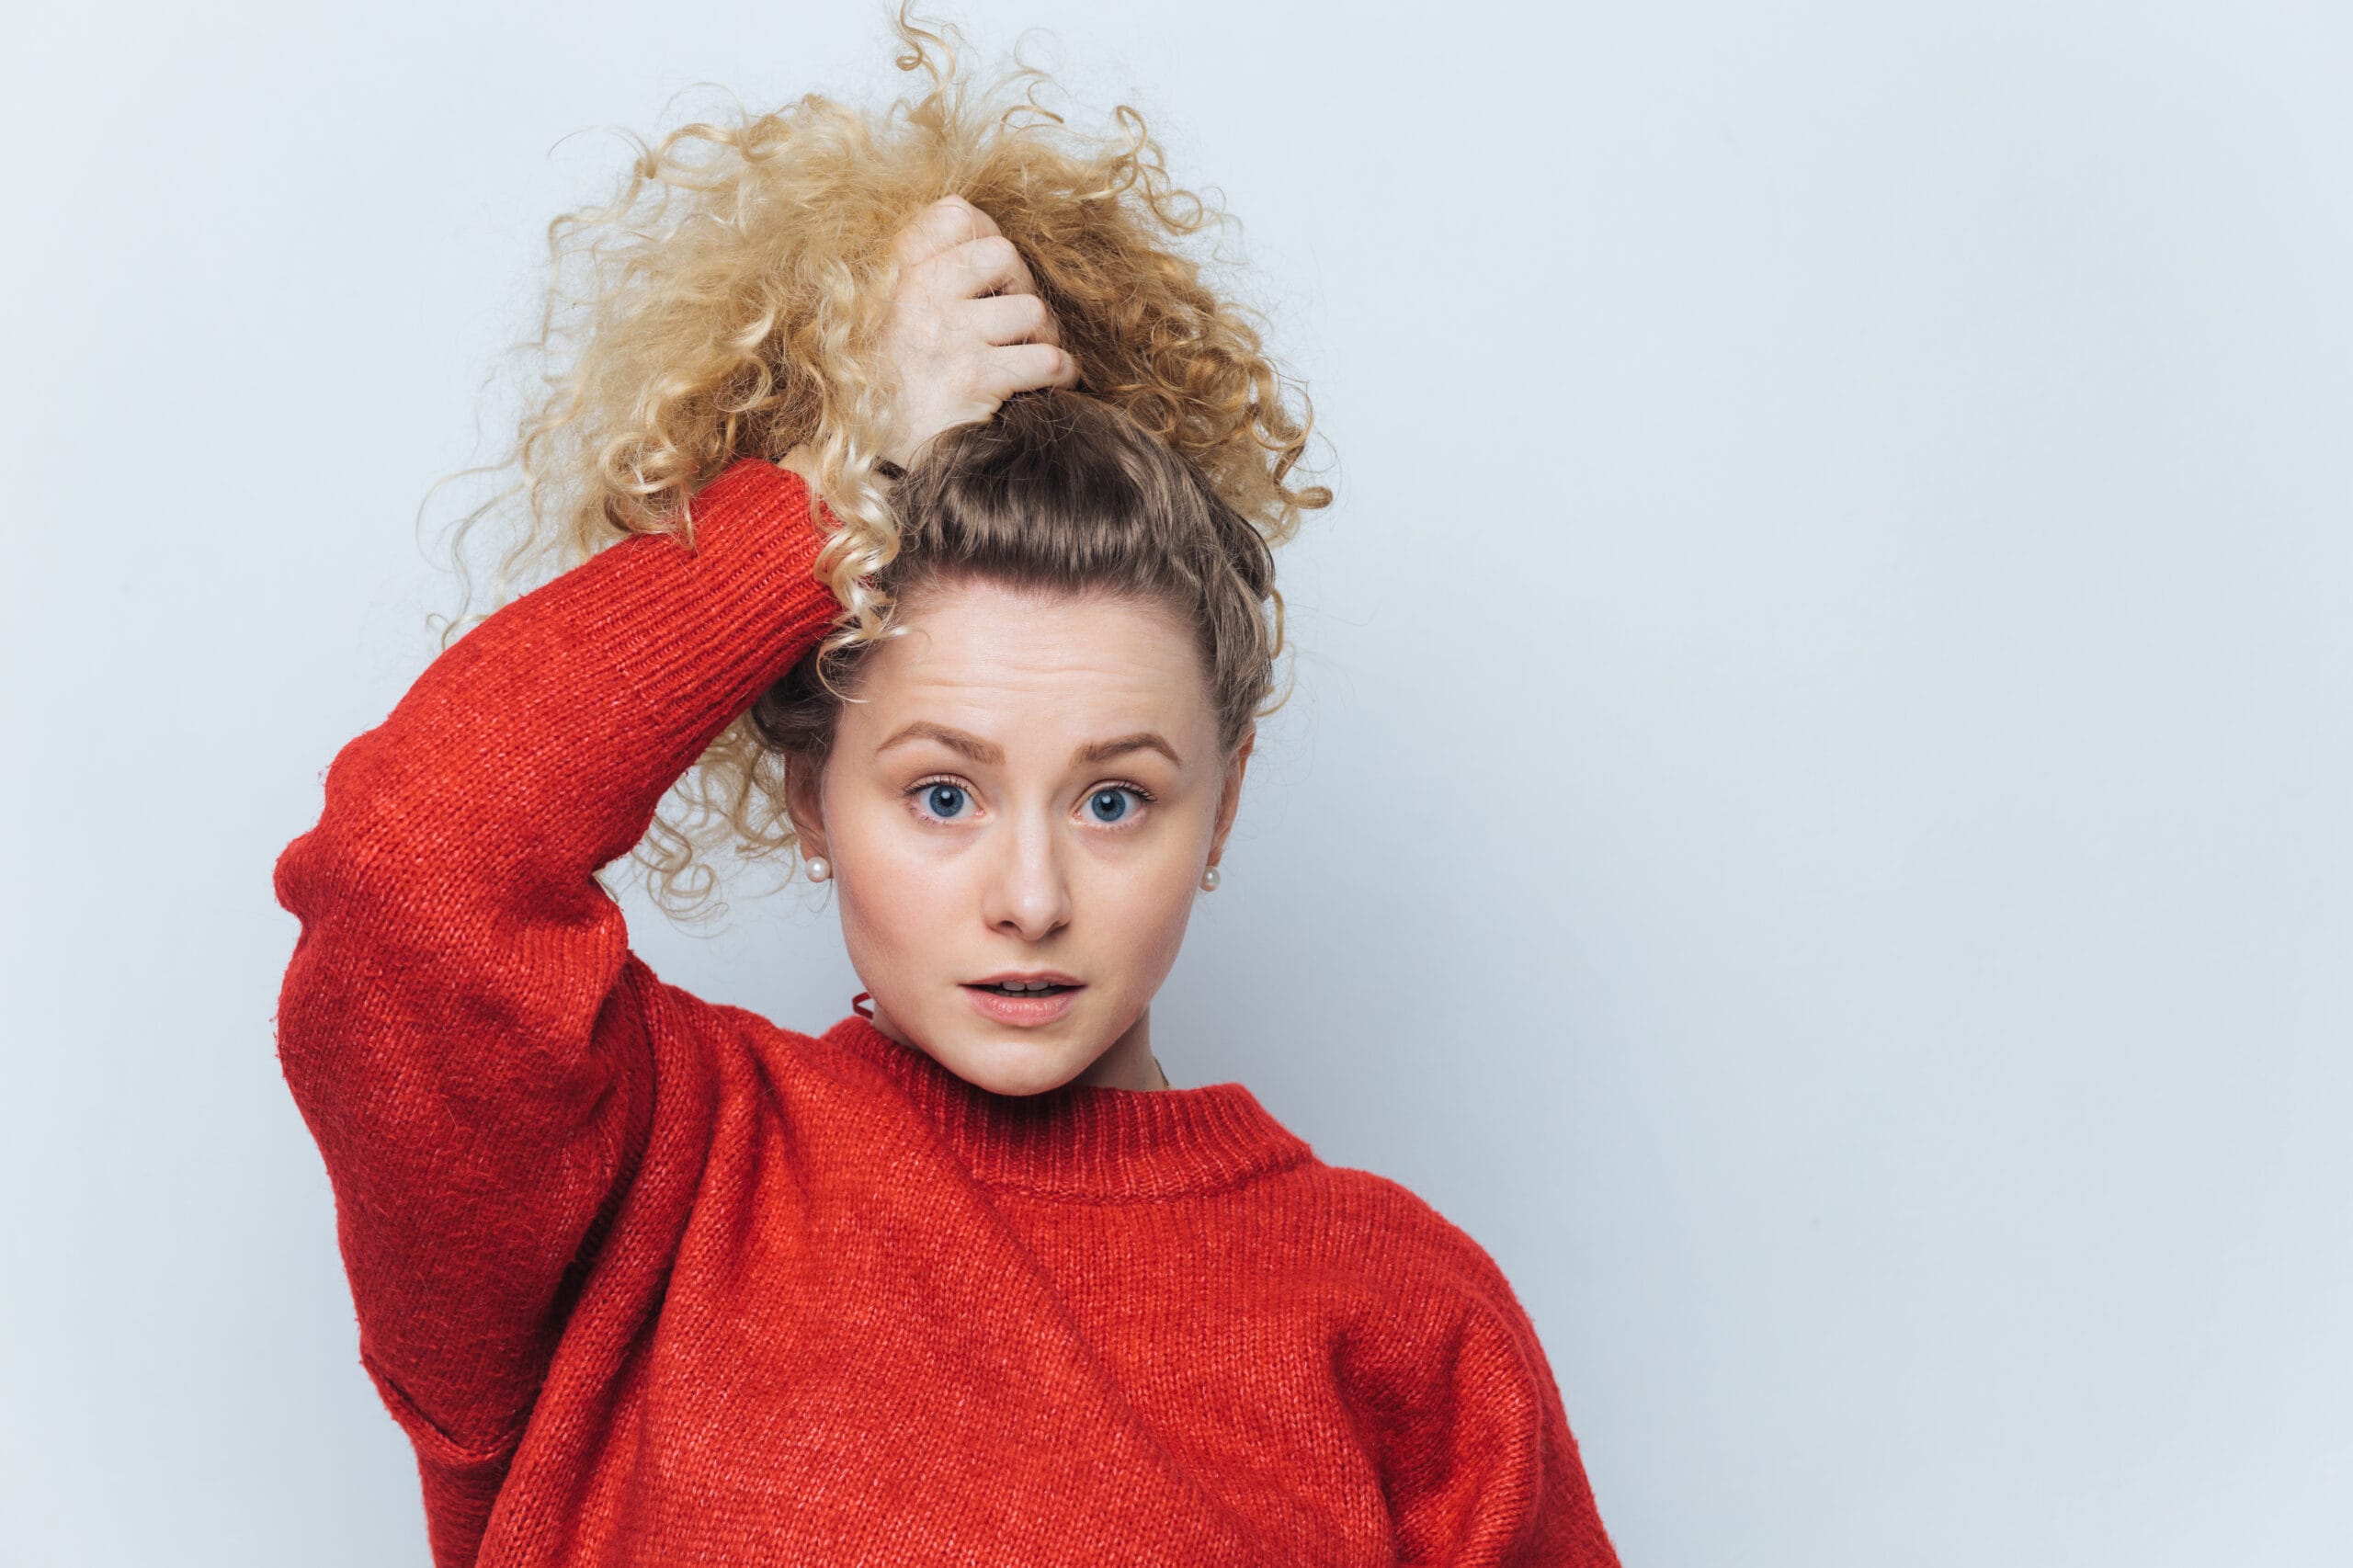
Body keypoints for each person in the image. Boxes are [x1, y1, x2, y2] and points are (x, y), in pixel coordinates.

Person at [271, 12, 1621, 1564]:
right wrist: (824, 509)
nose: (1032, 897)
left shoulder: (1401, 1319)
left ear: (1226, 805)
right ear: (805, 793)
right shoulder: (636, 1182)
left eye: (1115, 800)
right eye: (941, 796)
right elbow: (408, 865)